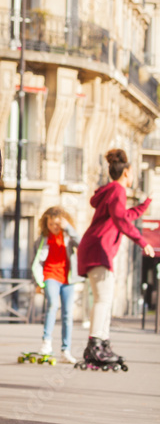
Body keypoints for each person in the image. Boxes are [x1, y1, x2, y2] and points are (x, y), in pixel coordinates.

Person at [76, 148, 154, 369]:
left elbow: (125, 215)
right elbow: (121, 219)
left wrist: (145, 204)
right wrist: (142, 241)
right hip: (99, 249)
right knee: (103, 298)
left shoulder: (111, 191)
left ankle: (102, 343)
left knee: (104, 298)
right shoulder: (118, 190)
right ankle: (96, 346)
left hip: (95, 248)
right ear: (127, 172)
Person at [30, 207, 82, 363]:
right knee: (52, 304)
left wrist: (69, 228)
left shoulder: (68, 237)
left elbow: (81, 244)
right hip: (50, 276)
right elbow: (35, 262)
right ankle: (46, 343)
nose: (53, 227)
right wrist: (37, 283)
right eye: (50, 224)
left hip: (68, 279)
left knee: (67, 314)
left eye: (57, 224)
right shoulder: (42, 240)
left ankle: (66, 350)